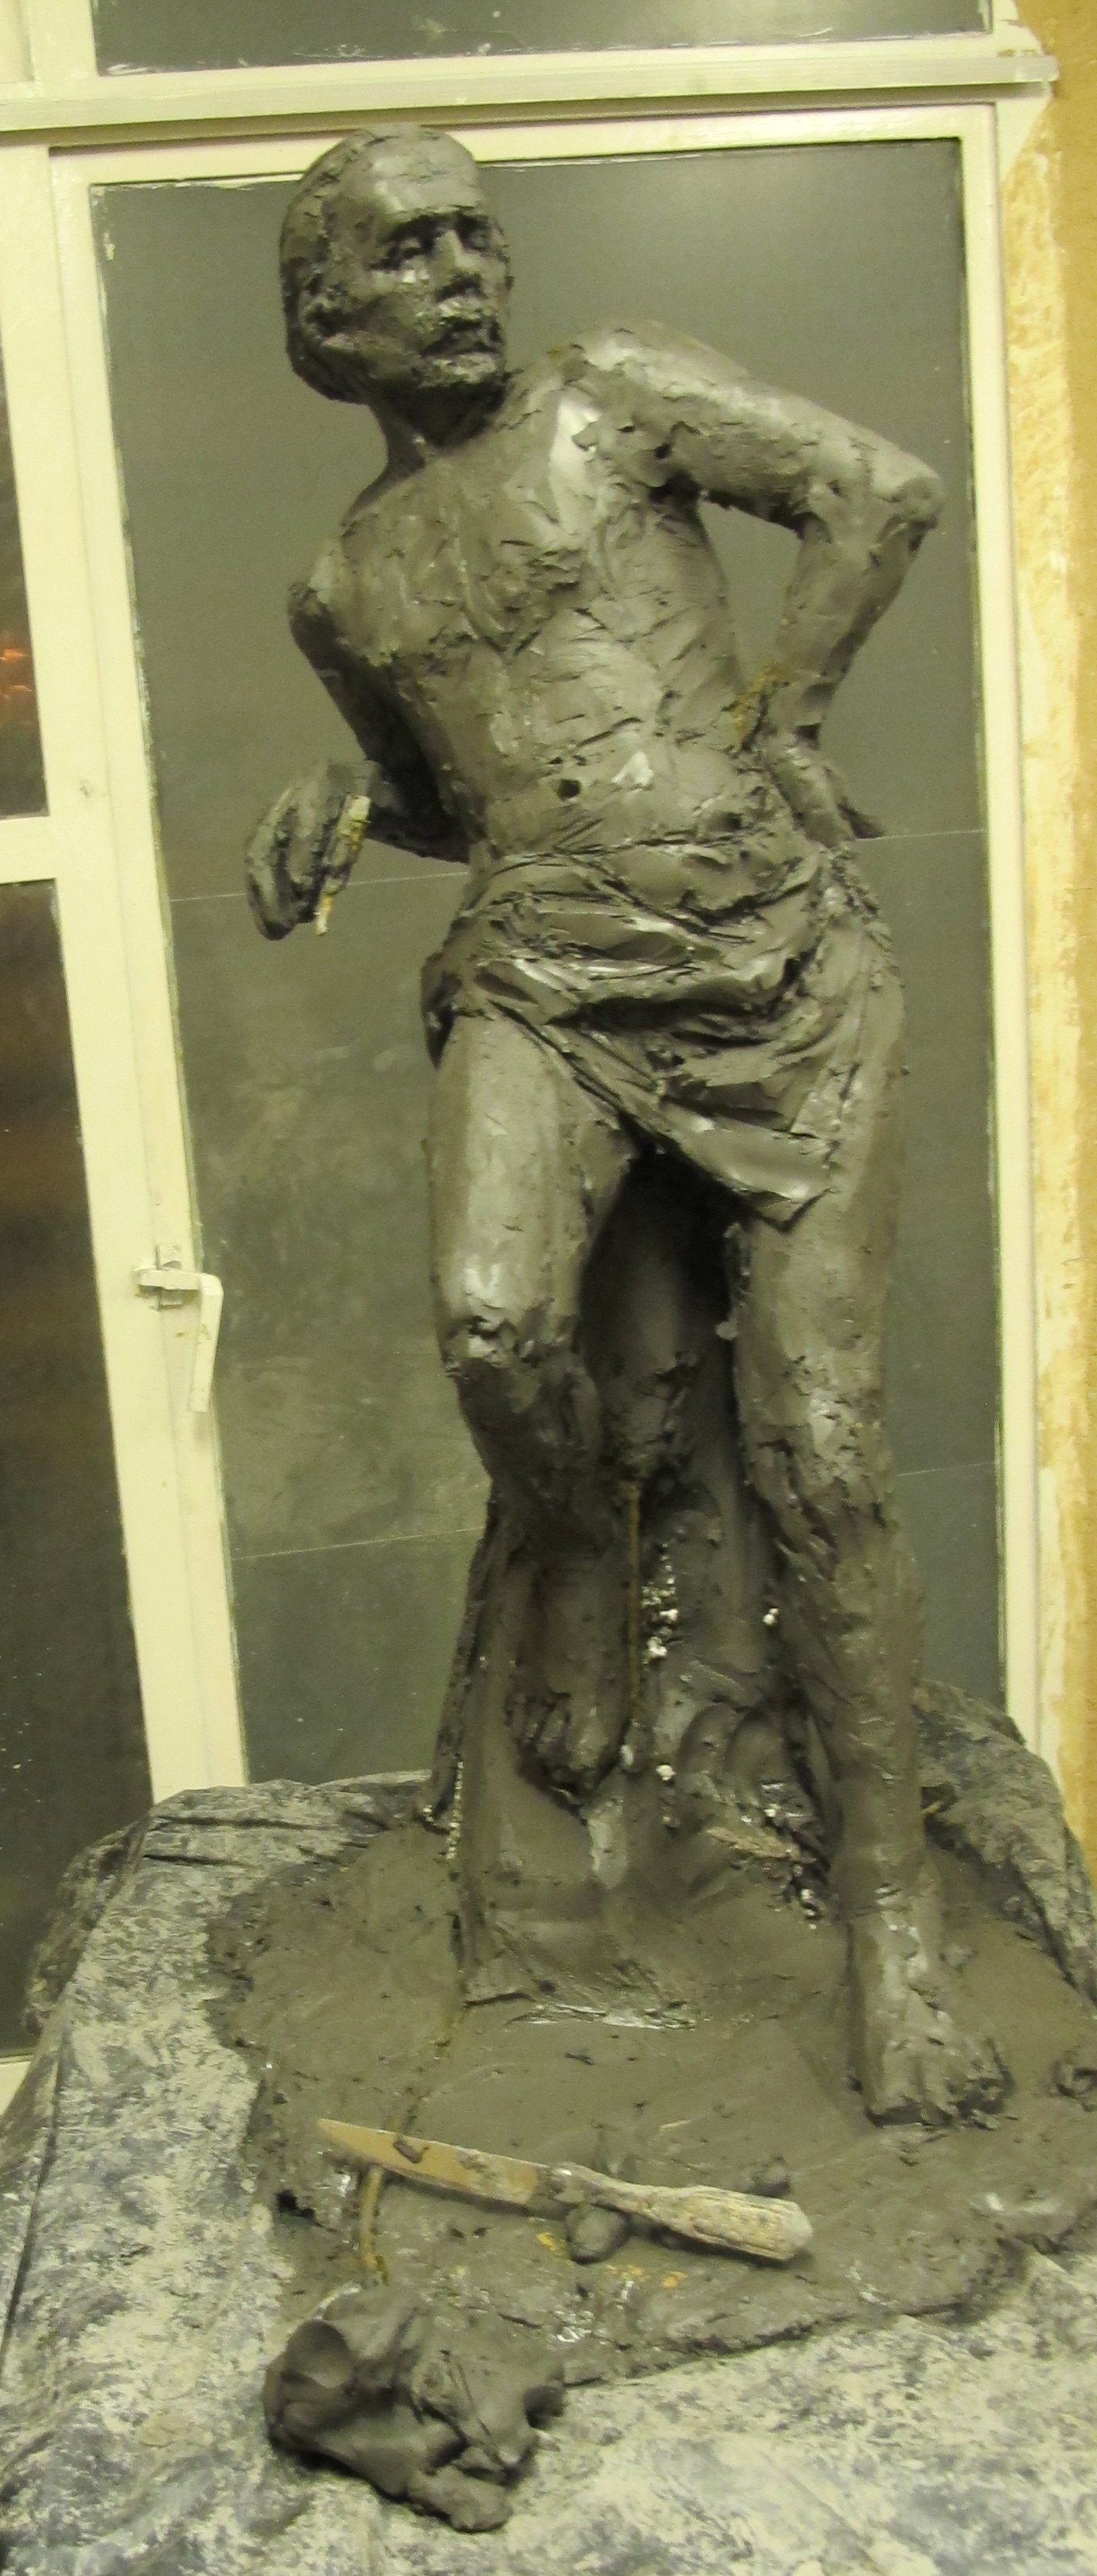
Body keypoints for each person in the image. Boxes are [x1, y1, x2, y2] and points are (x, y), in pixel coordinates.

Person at [246, 124, 1000, 2123]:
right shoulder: (341, 583)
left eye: (477, 236)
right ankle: (581, 1552)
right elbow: (466, 789)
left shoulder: (614, 394)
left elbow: (877, 492)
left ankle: (896, 1947)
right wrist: (347, 800)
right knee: (493, 1326)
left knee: (824, 1447)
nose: (465, 274)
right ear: (327, 312)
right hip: (542, 967)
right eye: (411, 251)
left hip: (775, 965)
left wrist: (789, 720)